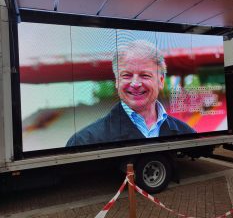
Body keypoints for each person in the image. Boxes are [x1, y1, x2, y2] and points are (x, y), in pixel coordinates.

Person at [66, 40, 195, 146]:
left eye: (145, 75)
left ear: (161, 81)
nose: (135, 83)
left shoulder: (187, 133)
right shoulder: (83, 141)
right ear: (117, 81)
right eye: (127, 75)